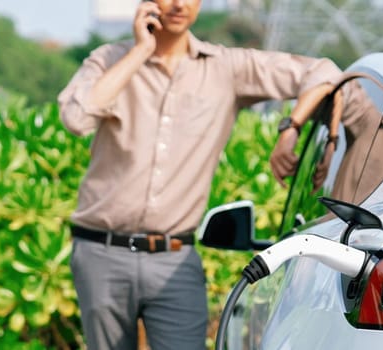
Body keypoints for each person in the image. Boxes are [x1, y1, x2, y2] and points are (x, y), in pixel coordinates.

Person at [56, 0, 342, 348]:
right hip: (101, 253)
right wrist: (140, 52)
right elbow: (76, 118)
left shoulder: (228, 68)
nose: (178, 4)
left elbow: (325, 71)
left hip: (175, 258)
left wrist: (291, 128)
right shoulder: (108, 59)